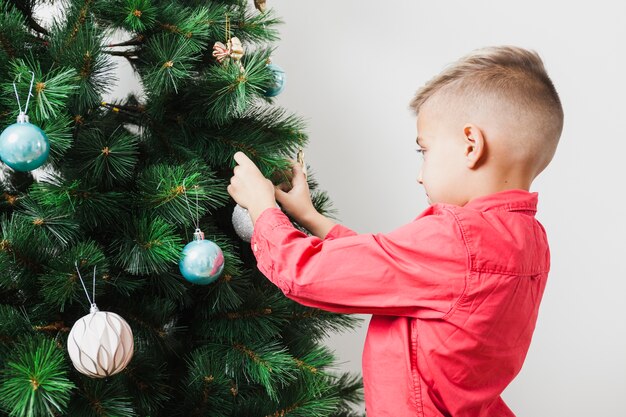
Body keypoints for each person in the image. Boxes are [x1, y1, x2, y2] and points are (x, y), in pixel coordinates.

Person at [227, 45, 564, 417]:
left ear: (471, 145)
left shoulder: (457, 238)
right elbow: (393, 269)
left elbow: (307, 274)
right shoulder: (529, 239)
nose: (420, 173)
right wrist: (312, 218)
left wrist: (262, 208)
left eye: (425, 150)